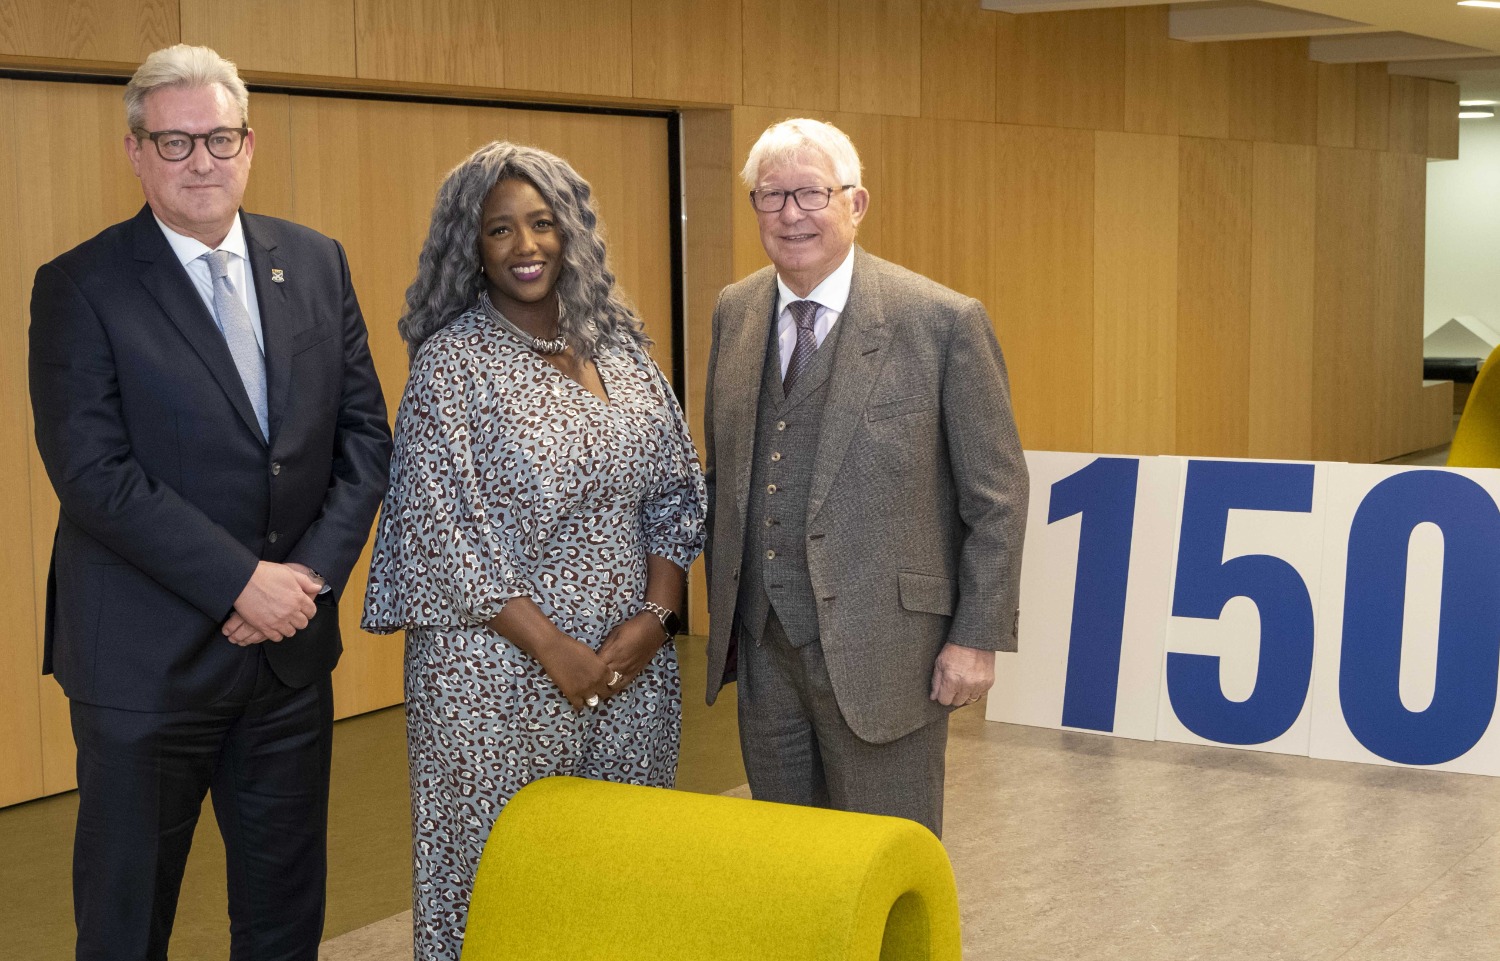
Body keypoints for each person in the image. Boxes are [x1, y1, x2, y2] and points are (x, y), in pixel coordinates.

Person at [27, 44, 392, 961]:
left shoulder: (314, 262)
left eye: (219, 139)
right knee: (126, 920)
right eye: (176, 142)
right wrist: (240, 583)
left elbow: (363, 440)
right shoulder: (80, 284)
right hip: (144, 669)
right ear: (136, 153)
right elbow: (93, 471)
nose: (202, 162)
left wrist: (303, 578)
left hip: (287, 660)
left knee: (281, 916)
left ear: (249, 143)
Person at [362, 141, 706, 961]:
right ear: (468, 247)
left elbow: (675, 490)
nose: (526, 246)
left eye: (543, 223)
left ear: (572, 232)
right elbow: (439, 532)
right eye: (499, 229)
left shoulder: (624, 351)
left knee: (618, 871)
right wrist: (556, 650)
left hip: (629, 667)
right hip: (495, 673)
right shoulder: (452, 365)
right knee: (493, 880)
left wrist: (656, 618)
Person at [702, 118, 1029, 838]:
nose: (792, 214)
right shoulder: (736, 311)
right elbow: (724, 474)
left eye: (813, 193)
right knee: (790, 866)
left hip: (892, 658)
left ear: (857, 204)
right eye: (772, 195)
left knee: (885, 859)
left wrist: (975, 638)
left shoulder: (941, 322)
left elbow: (998, 497)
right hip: (766, 656)